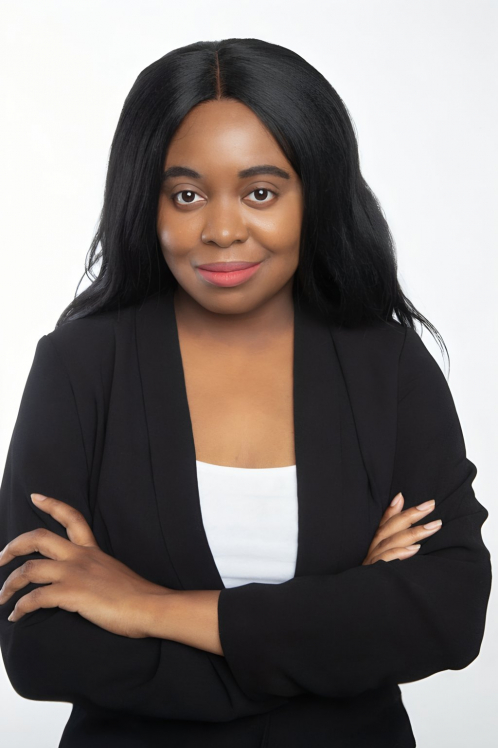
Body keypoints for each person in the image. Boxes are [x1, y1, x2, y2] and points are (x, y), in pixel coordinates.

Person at [0, 38, 491, 748]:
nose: (222, 229)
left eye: (261, 192)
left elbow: (448, 613)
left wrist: (148, 606)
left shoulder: (387, 364)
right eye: (187, 194)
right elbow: (41, 648)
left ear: (313, 192)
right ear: (150, 200)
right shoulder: (80, 366)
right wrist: (334, 631)